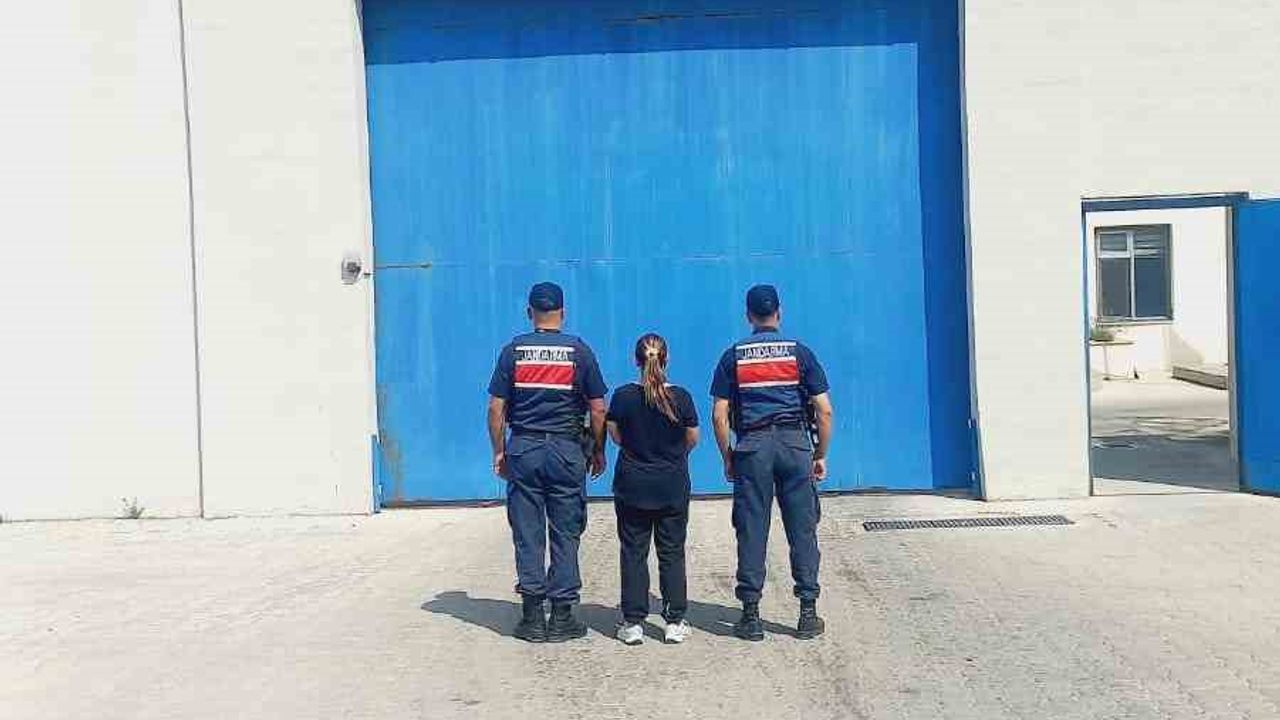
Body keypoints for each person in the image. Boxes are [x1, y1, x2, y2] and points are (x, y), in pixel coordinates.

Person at [710, 284, 835, 641]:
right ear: (779, 312)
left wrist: (728, 456)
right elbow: (824, 410)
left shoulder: (733, 356)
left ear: (748, 315)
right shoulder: (800, 353)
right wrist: (820, 454)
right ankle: (807, 612)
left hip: (753, 447)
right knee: (802, 528)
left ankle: (751, 615)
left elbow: (719, 415)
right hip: (795, 445)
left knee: (751, 528)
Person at [487, 282, 608, 643]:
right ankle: (562, 616)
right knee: (565, 531)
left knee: (527, 532)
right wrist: (598, 450)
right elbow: (598, 409)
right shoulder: (579, 352)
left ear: (530, 313)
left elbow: (496, 408)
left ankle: (532, 618)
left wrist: (499, 451)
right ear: (563, 313)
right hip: (566, 451)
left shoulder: (513, 352)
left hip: (524, 448)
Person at [606, 334, 700, 646]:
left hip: (633, 483)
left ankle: (633, 623)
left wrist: (637, 449)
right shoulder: (681, 398)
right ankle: (674, 622)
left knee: (633, 551)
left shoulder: (623, 397)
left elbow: (615, 434)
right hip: (671, 483)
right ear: (666, 359)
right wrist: (672, 456)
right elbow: (692, 438)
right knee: (671, 551)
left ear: (636, 360)